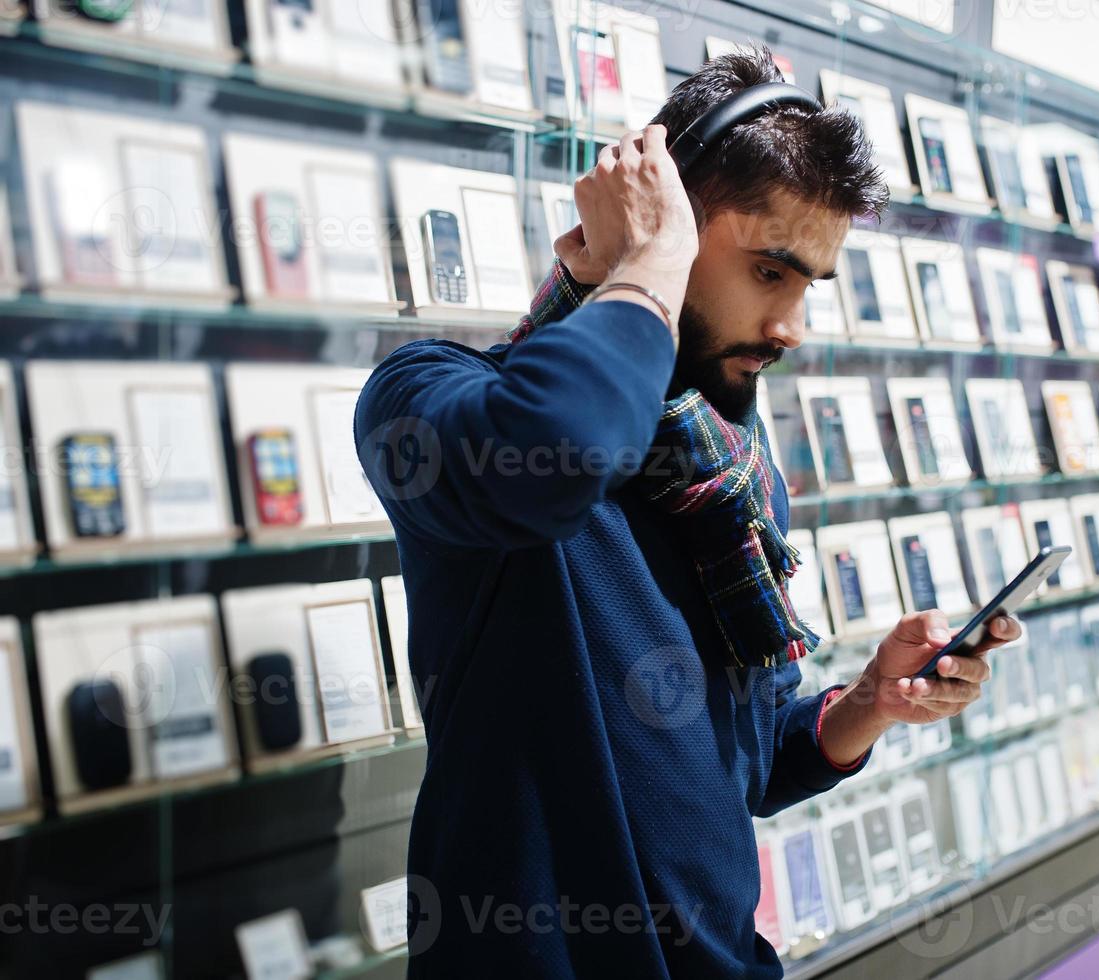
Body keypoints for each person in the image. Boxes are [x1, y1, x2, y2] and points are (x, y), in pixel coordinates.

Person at [355, 46, 1022, 978]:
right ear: (661, 215)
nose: (790, 326)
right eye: (768, 272)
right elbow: (562, 456)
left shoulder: (728, 477)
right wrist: (649, 261)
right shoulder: (432, 399)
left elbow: (737, 769)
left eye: (806, 288)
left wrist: (871, 701)